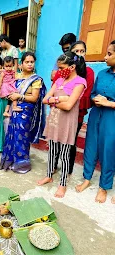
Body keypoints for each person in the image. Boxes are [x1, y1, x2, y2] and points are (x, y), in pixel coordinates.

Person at [38, 51, 86, 198]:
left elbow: (69, 106)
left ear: (72, 67)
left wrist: (56, 101)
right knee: (52, 150)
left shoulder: (80, 82)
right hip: (54, 121)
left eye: (61, 68)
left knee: (65, 155)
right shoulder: (59, 80)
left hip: (67, 123)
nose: (59, 71)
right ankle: (49, 175)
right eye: (58, 68)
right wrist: (61, 99)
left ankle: (62, 184)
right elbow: (45, 99)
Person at [76, 41, 115, 203]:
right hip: (96, 114)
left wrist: (109, 103)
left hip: (111, 118)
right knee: (90, 146)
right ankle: (87, 178)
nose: (105, 57)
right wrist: (95, 98)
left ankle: (104, 186)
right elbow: (92, 93)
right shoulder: (102, 74)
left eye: (109, 54)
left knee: (108, 150)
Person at [52, 40, 95, 175]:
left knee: (70, 141)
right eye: (76, 51)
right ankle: (53, 166)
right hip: (59, 110)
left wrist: (67, 102)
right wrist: (59, 101)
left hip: (76, 113)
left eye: (82, 51)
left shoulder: (88, 72)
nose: (80, 54)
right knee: (56, 139)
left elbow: (85, 95)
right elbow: (55, 89)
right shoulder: (63, 71)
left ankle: (68, 169)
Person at [0, 52, 46, 173]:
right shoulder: (16, 76)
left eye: (32, 62)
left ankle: (22, 164)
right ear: (21, 64)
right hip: (14, 109)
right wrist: (13, 96)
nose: (30, 64)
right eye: (27, 62)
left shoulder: (36, 79)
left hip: (25, 112)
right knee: (12, 134)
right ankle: (11, 161)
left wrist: (19, 96)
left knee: (22, 137)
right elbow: (9, 90)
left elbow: (34, 98)